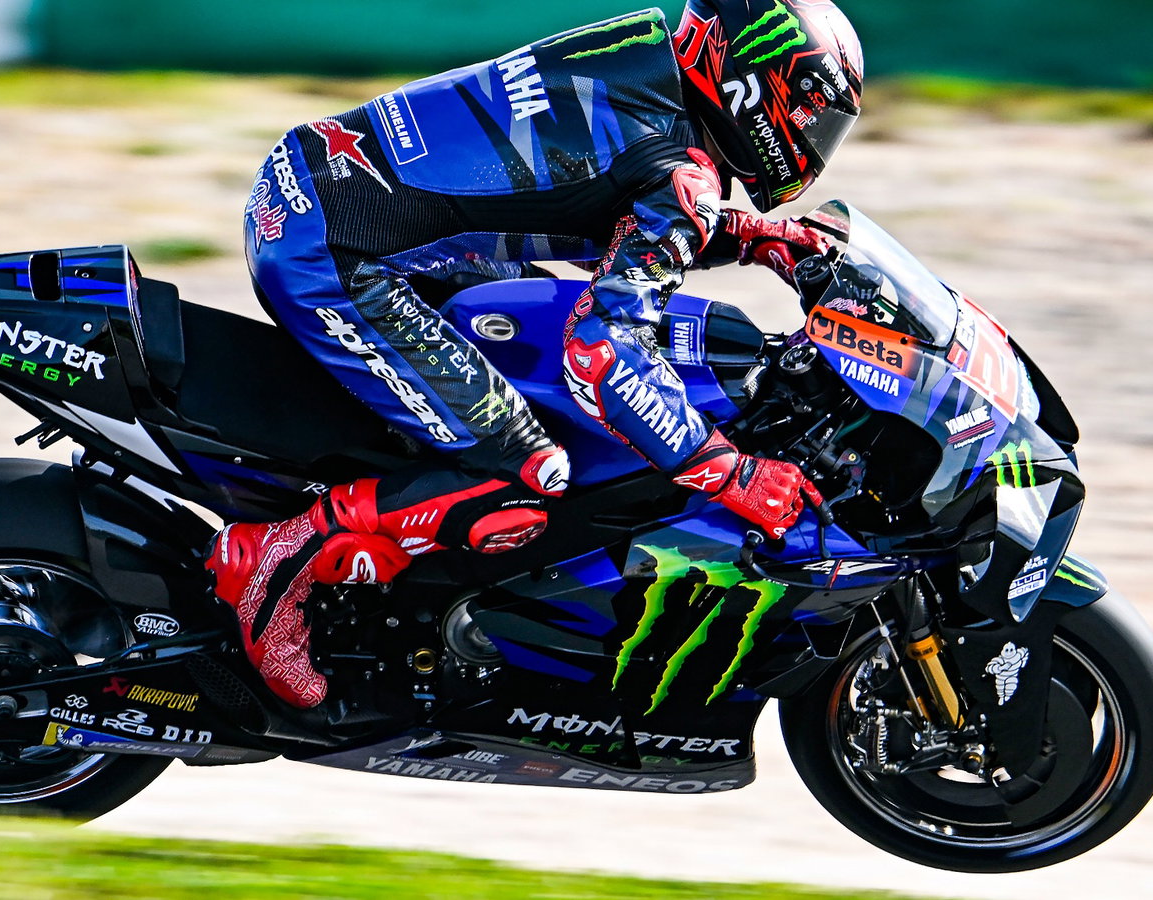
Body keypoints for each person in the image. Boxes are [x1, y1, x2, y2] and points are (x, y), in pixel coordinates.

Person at [206, 0, 865, 708]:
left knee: (527, 333)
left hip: (322, 184)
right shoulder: (682, 170)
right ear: (749, 79)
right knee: (526, 476)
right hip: (330, 252)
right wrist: (727, 472)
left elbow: (603, 201)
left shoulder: (646, 54)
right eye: (806, 109)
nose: (809, 134)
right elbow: (603, 352)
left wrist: (753, 236)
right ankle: (278, 563)